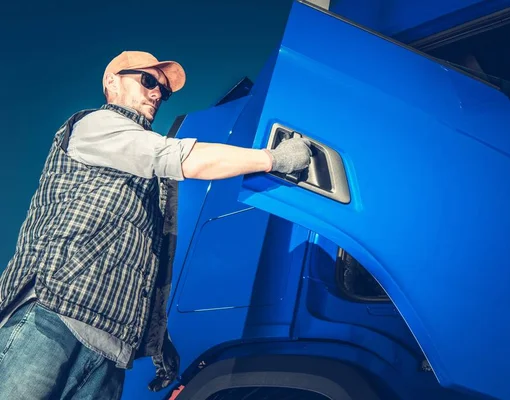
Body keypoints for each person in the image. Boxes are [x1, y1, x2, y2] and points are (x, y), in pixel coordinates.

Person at [0, 50, 312, 399]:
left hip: (110, 352)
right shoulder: (96, 125)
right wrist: (273, 158)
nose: (157, 94)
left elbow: (150, 266)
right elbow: (182, 157)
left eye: (163, 90)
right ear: (111, 81)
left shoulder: (149, 175)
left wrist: (158, 337)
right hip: (51, 318)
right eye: (148, 80)